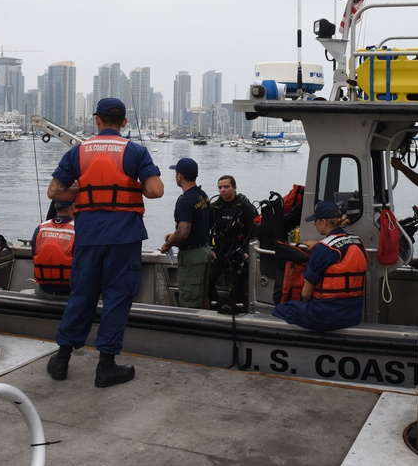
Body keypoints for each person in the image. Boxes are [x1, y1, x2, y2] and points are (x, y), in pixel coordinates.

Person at [45, 97, 164, 388]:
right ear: (123, 122)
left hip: (88, 236)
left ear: (96, 120)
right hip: (124, 236)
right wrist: (129, 185)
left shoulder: (78, 151)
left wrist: (85, 188)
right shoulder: (136, 151)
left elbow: (54, 192)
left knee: (82, 294)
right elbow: (156, 191)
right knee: (117, 297)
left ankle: (61, 359)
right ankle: (106, 366)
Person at [272, 200, 368, 332]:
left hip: (325, 316)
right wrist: (318, 244)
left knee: (282, 309)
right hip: (353, 314)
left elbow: (306, 294)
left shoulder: (323, 250)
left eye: (315, 221)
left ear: (323, 222)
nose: (314, 224)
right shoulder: (357, 242)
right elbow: (339, 248)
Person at [159, 157, 211, 309]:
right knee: (202, 297)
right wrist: (174, 235)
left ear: (180, 176)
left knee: (190, 301)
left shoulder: (185, 201)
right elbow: (200, 223)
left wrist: (167, 244)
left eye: (176, 173)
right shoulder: (202, 195)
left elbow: (183, 232)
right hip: (204, 251)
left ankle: (191, 332)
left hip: (192, 257)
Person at [207, 175, 258, 309]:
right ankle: (215, 306)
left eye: (226, 187)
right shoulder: (215, 207)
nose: (223, 190)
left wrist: (246, 252)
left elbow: (252, 232)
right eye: (220, 187)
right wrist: (209, 249)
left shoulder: (244, 207)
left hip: (238, 250)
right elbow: (205, 229)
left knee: (237, 283)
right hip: (220, 249)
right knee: (208, 279)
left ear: (234, 187)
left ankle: (237, 310)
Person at [31, 200, 75, 298]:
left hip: (43, 290)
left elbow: (34, 254)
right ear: (73, 207)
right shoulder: (79, 229)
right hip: (71, 291)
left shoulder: (40, 228)